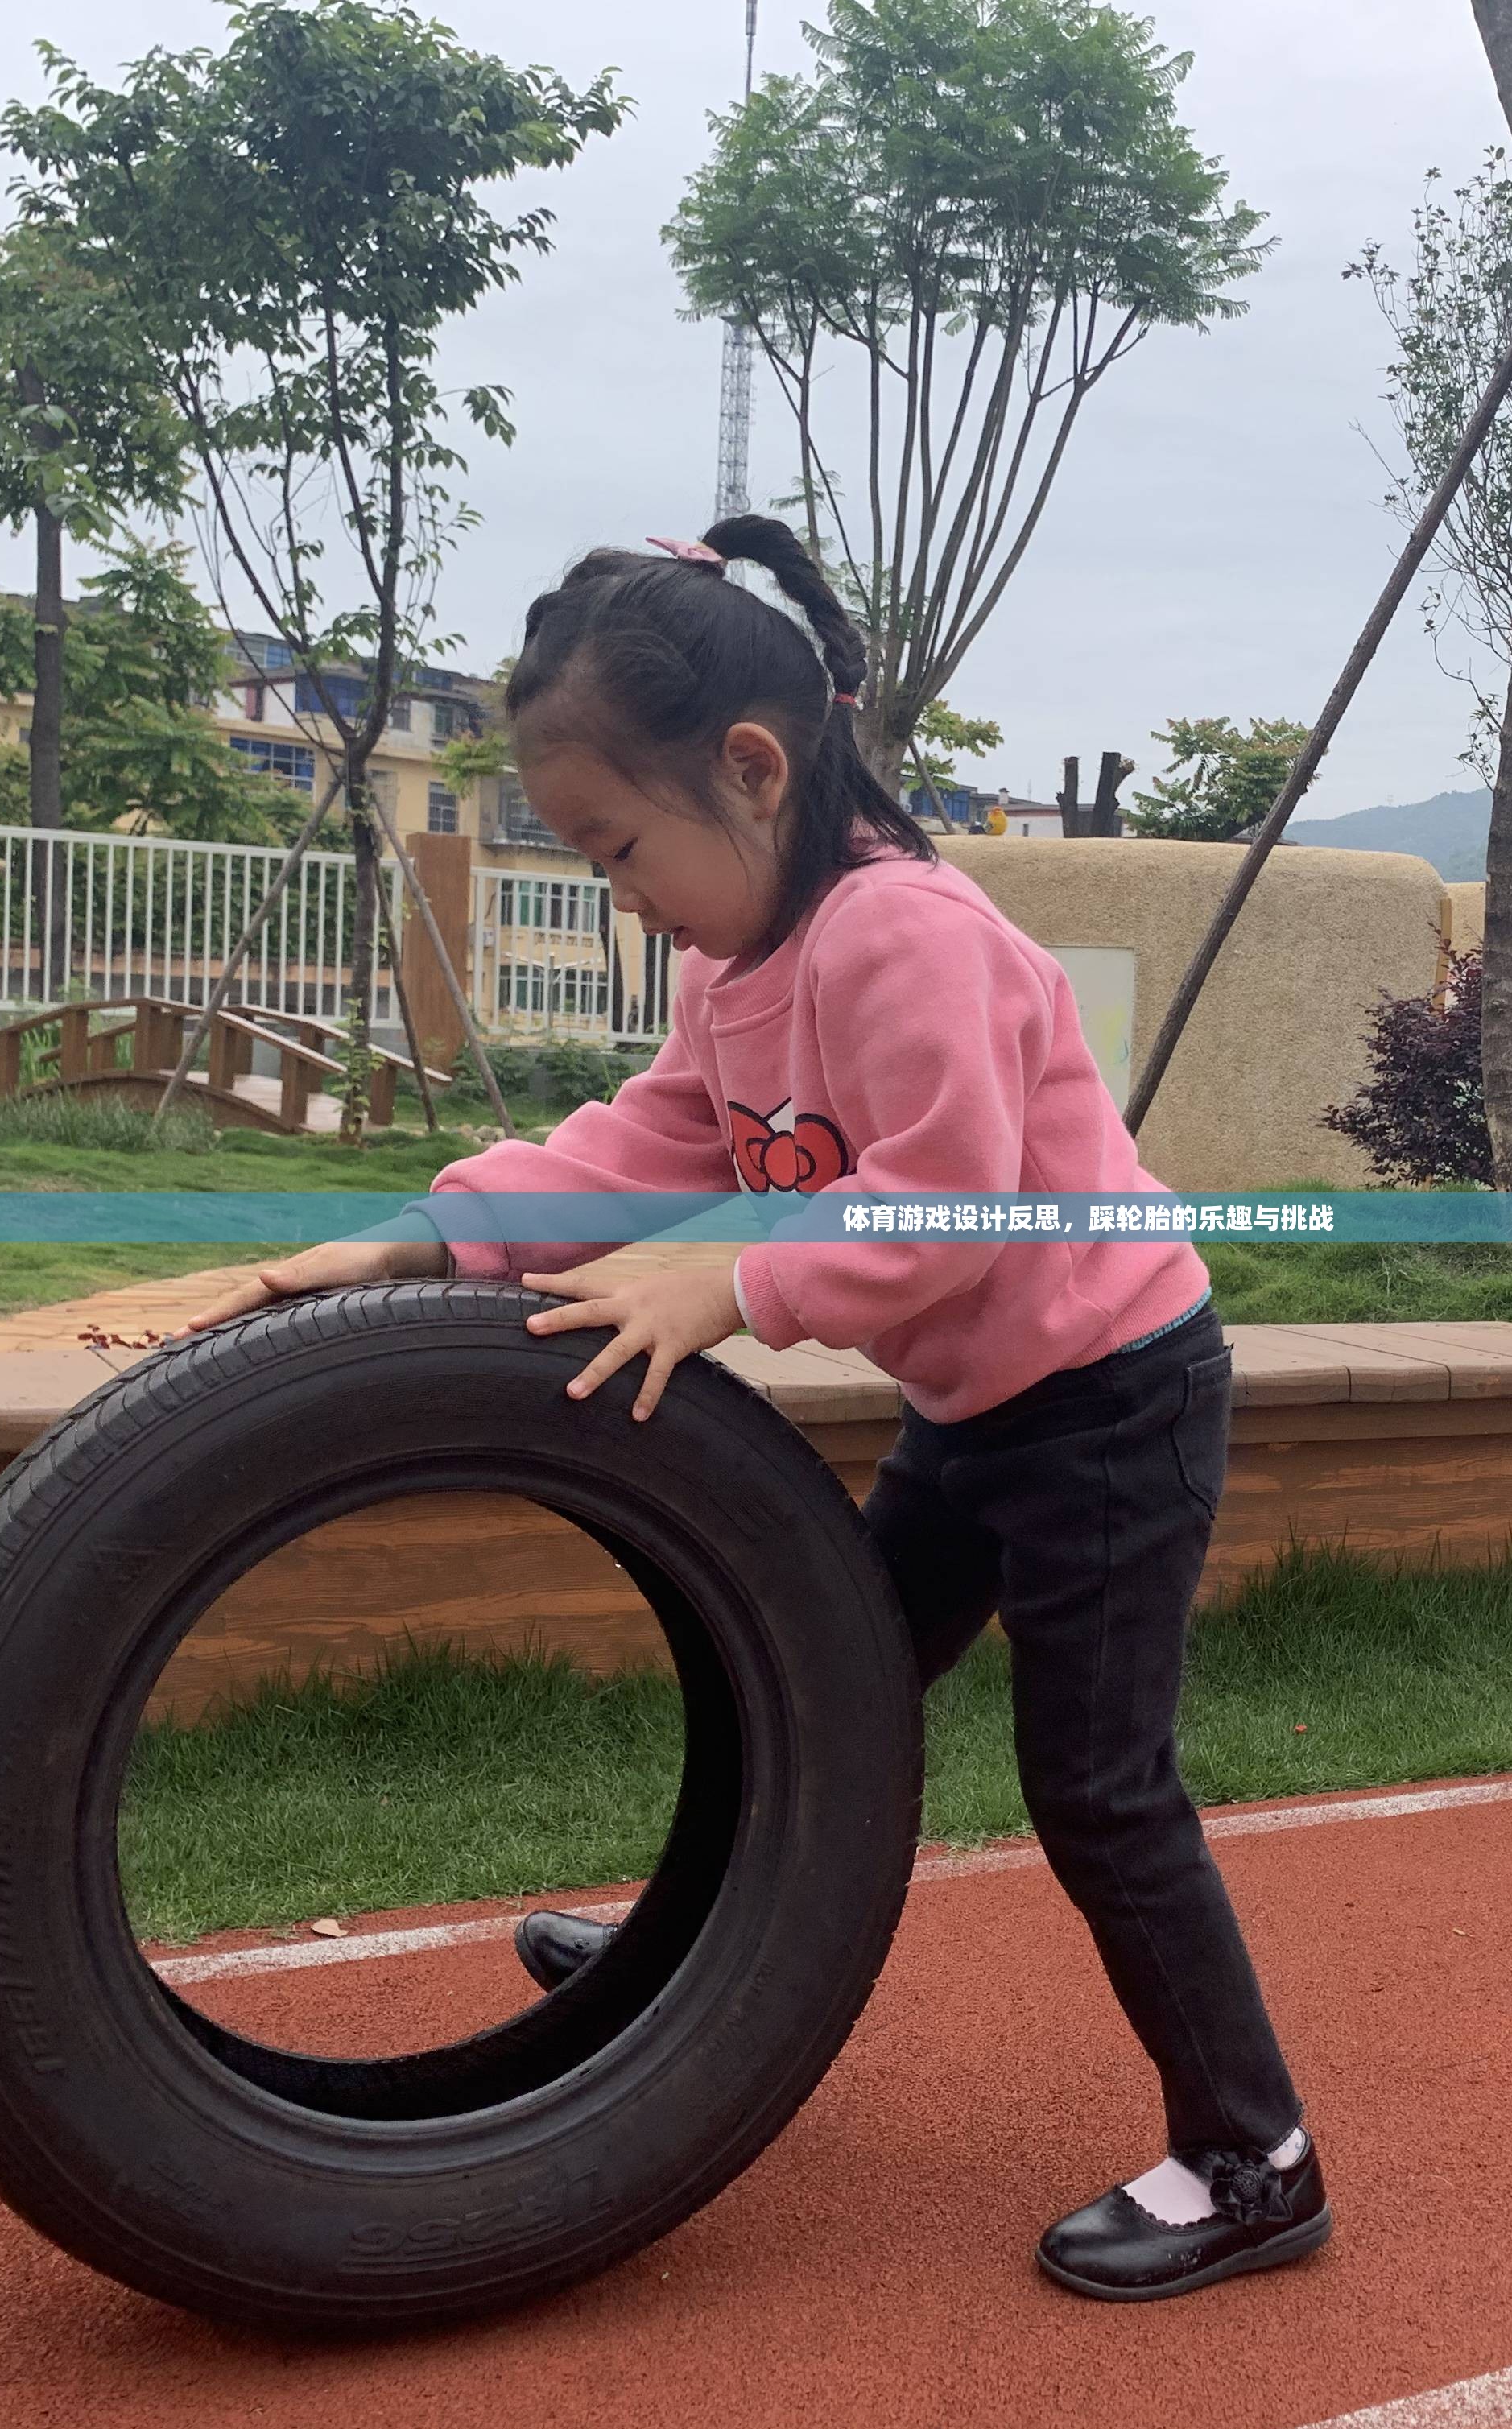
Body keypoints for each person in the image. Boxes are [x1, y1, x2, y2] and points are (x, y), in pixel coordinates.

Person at [187, 514, 1324, 2303]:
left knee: (1098, 1789)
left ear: (753, 767)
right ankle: (684, 1966)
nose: (615, 892)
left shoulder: (905, 938)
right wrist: (424, 1242)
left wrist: (731, 1285)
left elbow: (949, 1205)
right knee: (805, 1680)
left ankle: (1253, 2156)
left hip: (1108, 1396)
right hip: (980, 1395)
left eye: (618, 846)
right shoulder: (735, 975)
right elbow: (637, 1148)